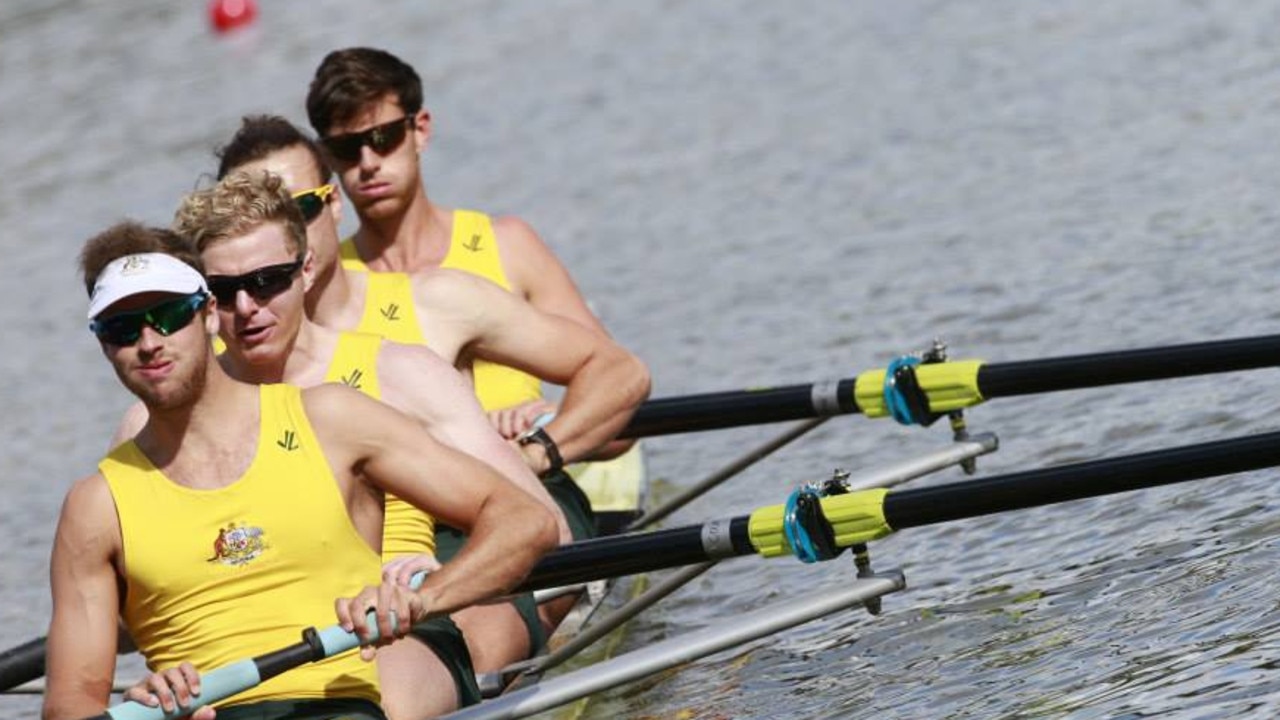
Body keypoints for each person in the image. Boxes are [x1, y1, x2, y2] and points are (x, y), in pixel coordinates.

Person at [43, 223, 558, 720]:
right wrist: (144, 702)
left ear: (210, 315)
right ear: (104, 345)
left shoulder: (331, 420)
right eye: (121, 328)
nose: (149, 341)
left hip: (341, 698)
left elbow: (522, 519)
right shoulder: (94, 507)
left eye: (169, 313)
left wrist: (423, 597)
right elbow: (70, 708)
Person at [207, 116, 650, 663]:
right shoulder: (208, 390)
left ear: (335, 203)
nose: (283, 239)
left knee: (448, 638)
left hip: (468, 542)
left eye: (301, 210)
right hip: (338, 583)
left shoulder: (425, 314)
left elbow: (546, 516)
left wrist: (540, 450)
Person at [304, 47, 638, 455]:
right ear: (326, 158)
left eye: (382, 137)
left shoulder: (509, 246)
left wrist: (551, 428)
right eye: (346, 148)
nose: (368, 162)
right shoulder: (323, 285)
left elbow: (622, 416)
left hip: (534, 471)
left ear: (420, 130)